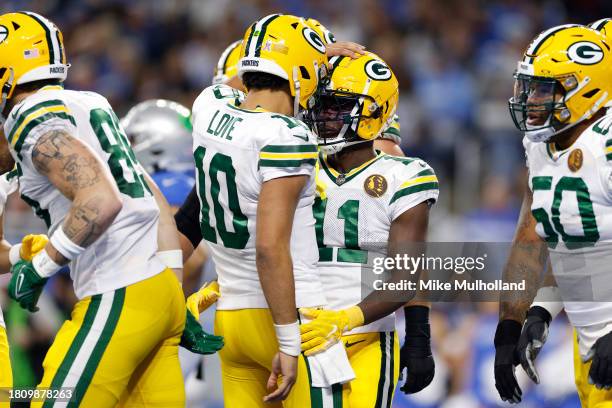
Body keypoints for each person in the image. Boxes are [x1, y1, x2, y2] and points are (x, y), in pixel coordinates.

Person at [0, 12, 221, 407]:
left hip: (117, 291)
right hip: (157, 289)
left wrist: (42, 266)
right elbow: (149, 193)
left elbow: (101, 200)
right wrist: (171, 289)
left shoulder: (28, 116)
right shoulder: (91, 102)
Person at [178, 13, 355, 407]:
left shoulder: (208, 106)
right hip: (291, 319)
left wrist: (302, 55)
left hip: (232, 322)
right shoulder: (285, 136)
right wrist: (289, 342)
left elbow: (234, 84)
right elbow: (270, 249)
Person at [300, 51, 438, 406]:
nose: (324, 116)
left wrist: (419, 332)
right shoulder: (297, 160)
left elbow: (405, 273)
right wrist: (319, 47)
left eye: (337, 107)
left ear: (374, 112)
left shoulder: (402, 173)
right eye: (322, 105)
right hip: (297, 330)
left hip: (366, 333)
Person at [493, 24, 612, 407]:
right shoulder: (542, 147)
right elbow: (538, 242)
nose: (531, 99)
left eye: (544, 88)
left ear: (586, 86)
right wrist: (515, 324)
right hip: (592, 344)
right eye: (528, 87)